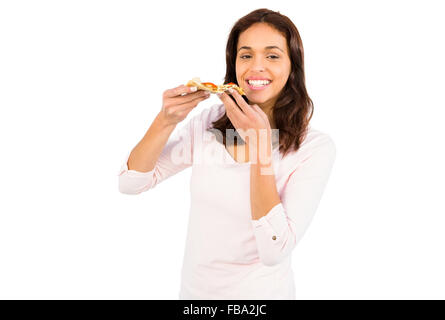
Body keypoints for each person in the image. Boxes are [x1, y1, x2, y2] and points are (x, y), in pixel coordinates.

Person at [118, 8, 336, 300]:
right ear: (233, 64)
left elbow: (274, 250)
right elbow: (131, 183)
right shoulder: (208, 123)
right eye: (246, 55)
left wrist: (260, 147)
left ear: (292, 66)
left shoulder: (313, 147)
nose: (256, 67)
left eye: (272, 56)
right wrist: (165, 120)